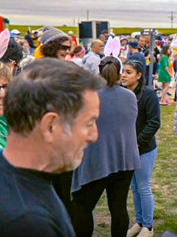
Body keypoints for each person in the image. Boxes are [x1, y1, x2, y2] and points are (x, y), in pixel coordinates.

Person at [0, 59, 104, 236]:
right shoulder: (29, 223)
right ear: (50, 126)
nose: (94, 135)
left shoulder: (26, 183)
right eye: (88, 123)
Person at [71, 56, 141, 237]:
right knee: (118, 208)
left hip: (98, 158)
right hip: (125, 158)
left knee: (82, 208)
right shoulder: (130, 96)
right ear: (119, 74)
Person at [121, 60, 160, 237]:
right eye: (123, 71)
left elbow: (154, 122)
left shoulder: (148, 95)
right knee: (134, 187)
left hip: (144, 149)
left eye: (128, 72)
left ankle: (148, 226)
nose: (123, 75)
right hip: (127, 148)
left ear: (139, 75)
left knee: (143, 186)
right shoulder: (121, 93)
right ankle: (139, 222)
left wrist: (138, 141)